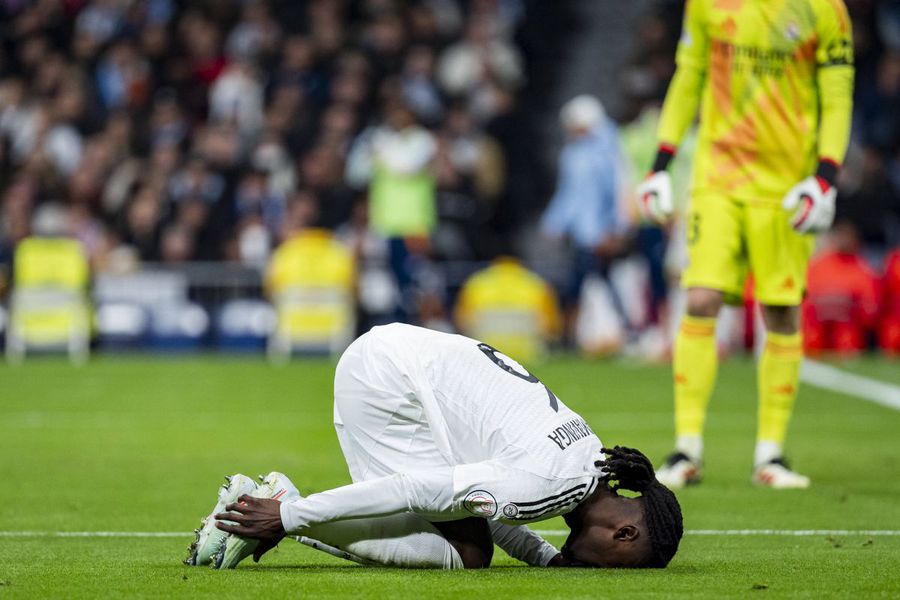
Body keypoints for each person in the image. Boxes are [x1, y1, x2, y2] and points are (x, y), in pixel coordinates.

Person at [185, 324, 683, 570]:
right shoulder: (552, 487)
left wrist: (544, 559)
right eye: (617, 569)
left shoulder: (589, 458)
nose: (598, 574)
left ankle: (278, 509)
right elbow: (418, 490)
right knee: (468, 551)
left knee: (457, 525)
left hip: (402, 358)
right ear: (623, 534)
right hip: (392, 385)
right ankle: (277, 507)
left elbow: (490, 502)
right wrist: (291, 519)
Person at [636, 0, 854, 488]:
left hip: (785, 185)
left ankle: (770, 455)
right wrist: (660, 163)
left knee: (780, 310)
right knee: (701, 296)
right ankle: (686, 448)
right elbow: (688, 76)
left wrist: (825, 177)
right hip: (719, 178)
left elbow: (838, 95)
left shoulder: (825, 9)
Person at [541, 95, 628, 343]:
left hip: (600, 232)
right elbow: (569, 193)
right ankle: (573, 335)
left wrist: (614, 228)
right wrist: (555, 223)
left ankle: (615, 331)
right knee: (582, 283)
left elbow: (616, 191)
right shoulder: (573, 153)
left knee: (600, 283)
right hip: (581, 233)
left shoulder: (610, 149)